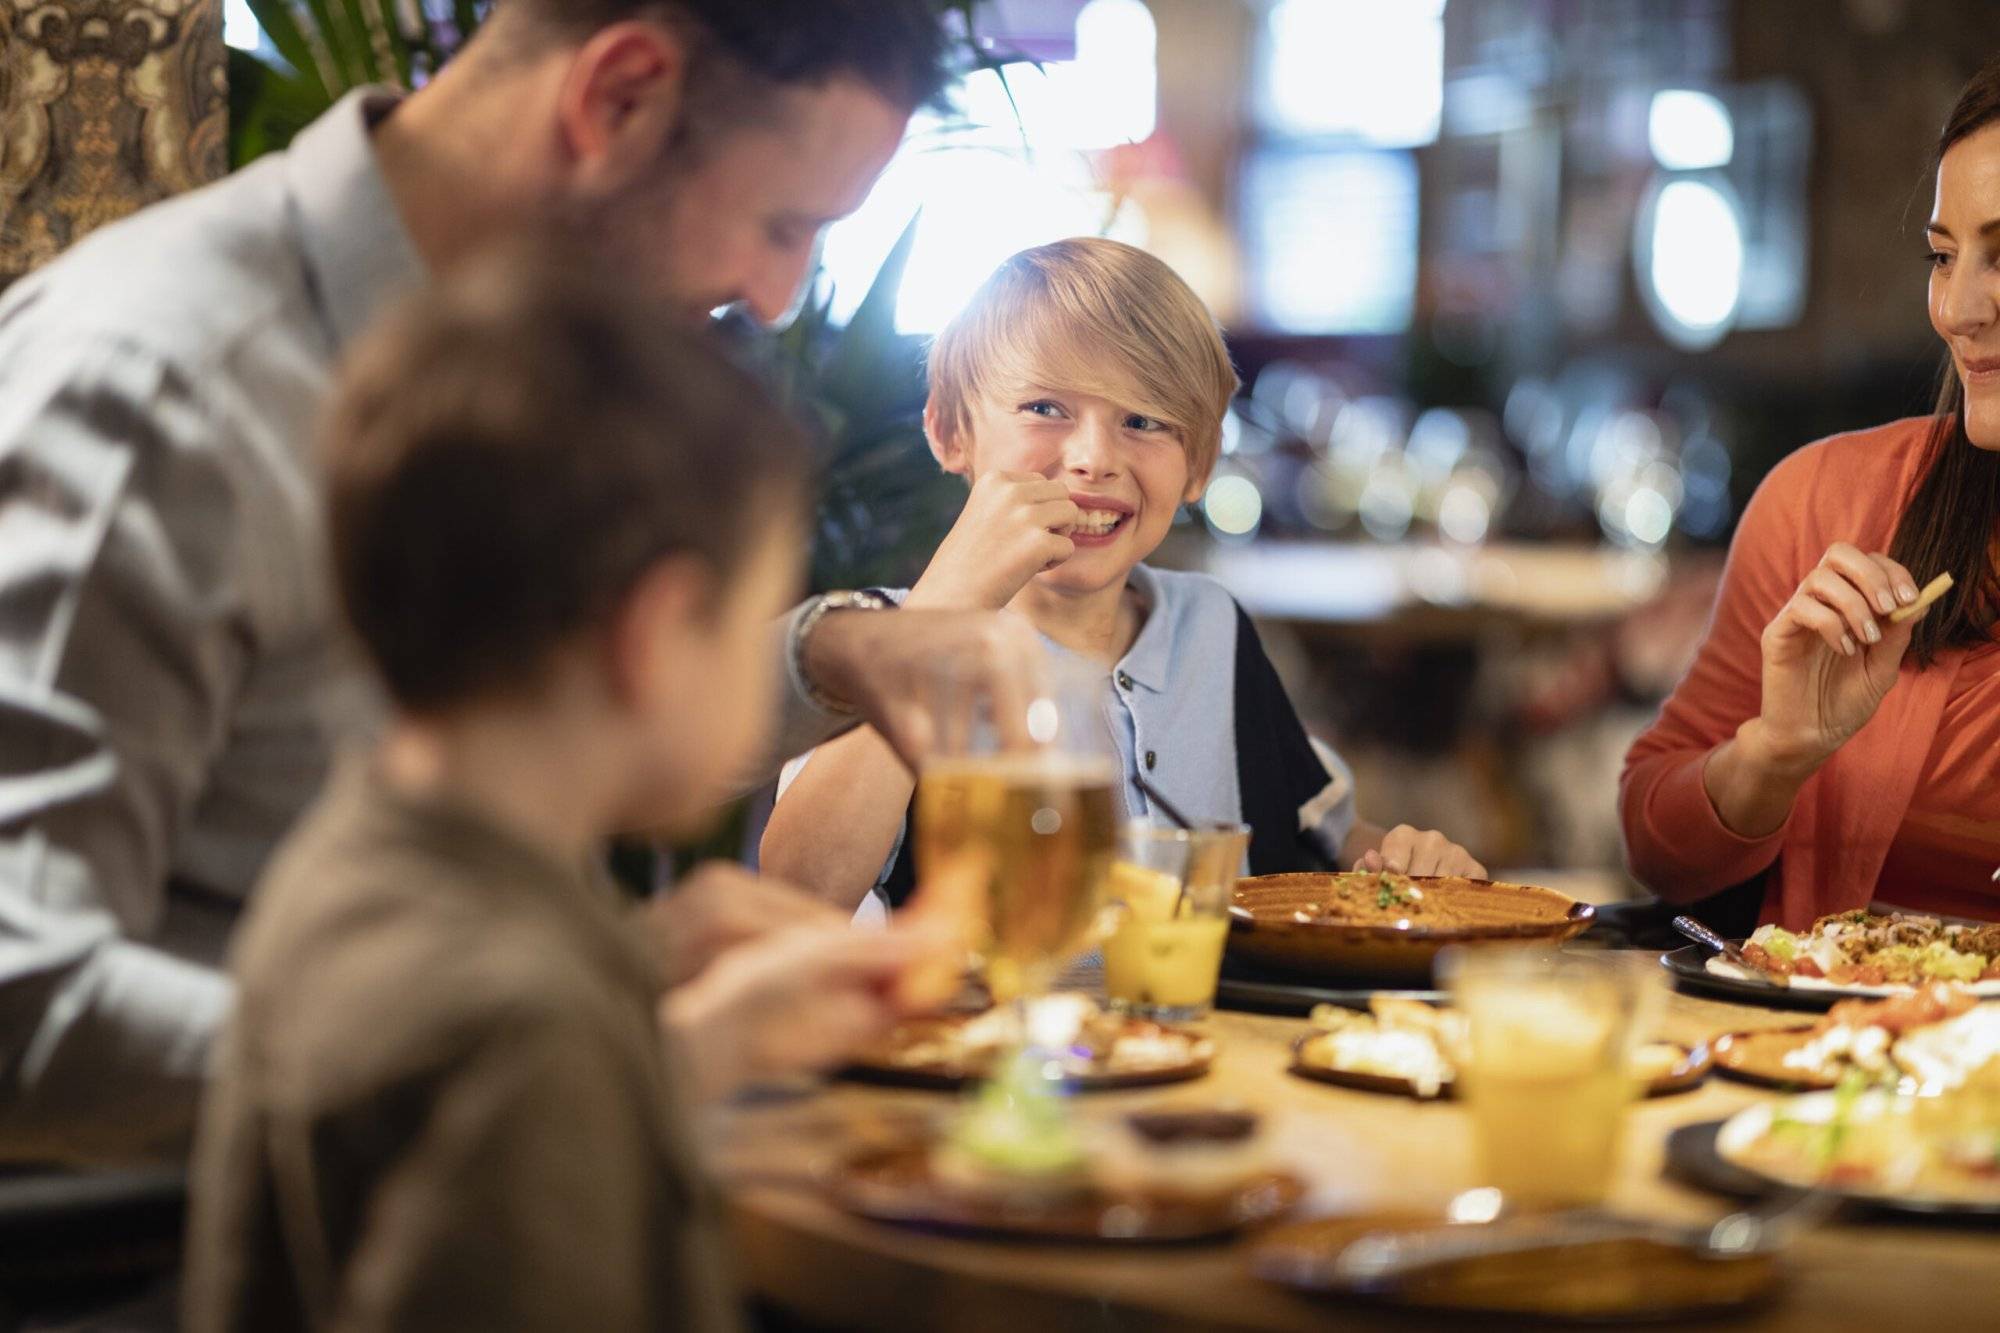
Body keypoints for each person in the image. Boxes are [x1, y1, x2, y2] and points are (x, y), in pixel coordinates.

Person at [0, 0, 1041, 1166]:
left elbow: (526, 720)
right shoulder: (163, 392)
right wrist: (578, 1044)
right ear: (617, 99)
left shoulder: (504, 358)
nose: (774, 296)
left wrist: (833, 654)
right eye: (779, 223)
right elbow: (18, 1001)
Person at [184, 252, 943, 1333]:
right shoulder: (523, 1029)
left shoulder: (363, 855)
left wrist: (670, 1029)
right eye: (751, 615)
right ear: (654, 634)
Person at [761, 238, 1484, 914]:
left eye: (1144, 421)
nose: (1093, 459)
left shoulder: (1212, 629)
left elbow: (1326, 835)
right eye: (1045, 408)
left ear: (1198, 466)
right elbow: (799, 889)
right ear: (952, 433)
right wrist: (939, 612)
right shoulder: (873, 642)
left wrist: (1400, 862)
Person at [1621, 54, 2000, 928]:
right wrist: (1777, 752)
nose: (1957, 308)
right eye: (1943, 256)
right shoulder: (1822, 502)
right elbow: (1657, 850)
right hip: (1840, 1050)